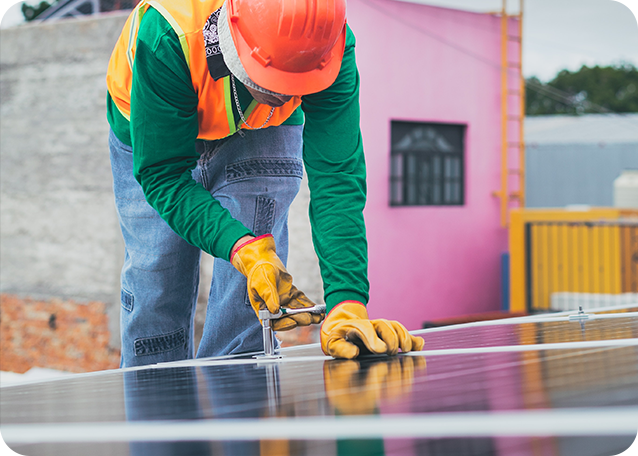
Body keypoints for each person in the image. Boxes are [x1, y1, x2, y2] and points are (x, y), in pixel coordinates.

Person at [106, 0, 424, 367]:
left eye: (297, 85)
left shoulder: (324, 45)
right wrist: (242, 248)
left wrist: (348, 301)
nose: (286, 96)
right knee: (156, 280)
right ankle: (157, 409)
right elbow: (164, 176)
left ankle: (240, 408)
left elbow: (336, 179)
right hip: (151, 121)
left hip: (261, 126)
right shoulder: (168, 32)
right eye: (274, 81)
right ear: (234, 37)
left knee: (254, 294)